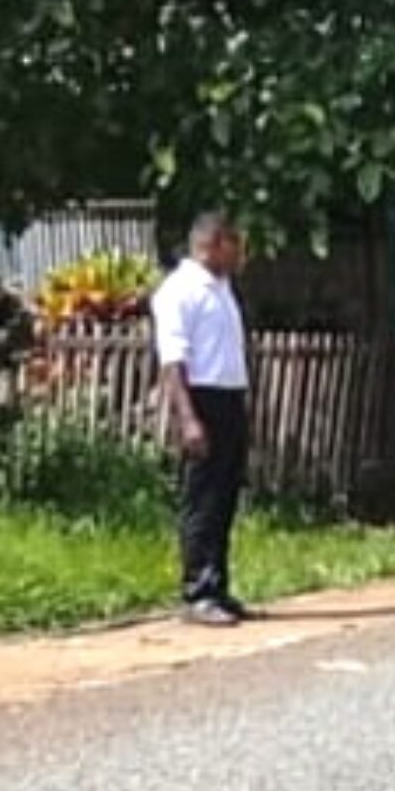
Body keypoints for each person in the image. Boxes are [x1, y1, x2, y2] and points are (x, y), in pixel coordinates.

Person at [151, 211, 254, 627]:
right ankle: (198, 591)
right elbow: (173, 360)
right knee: (201, 499)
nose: (241, 254)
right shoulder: (180, 291)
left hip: (229, 398)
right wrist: (188, 418)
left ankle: (219, 585)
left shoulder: (222, 288)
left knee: (225, 496)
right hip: (201, 399)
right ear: (213, 244)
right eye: (236, 244)